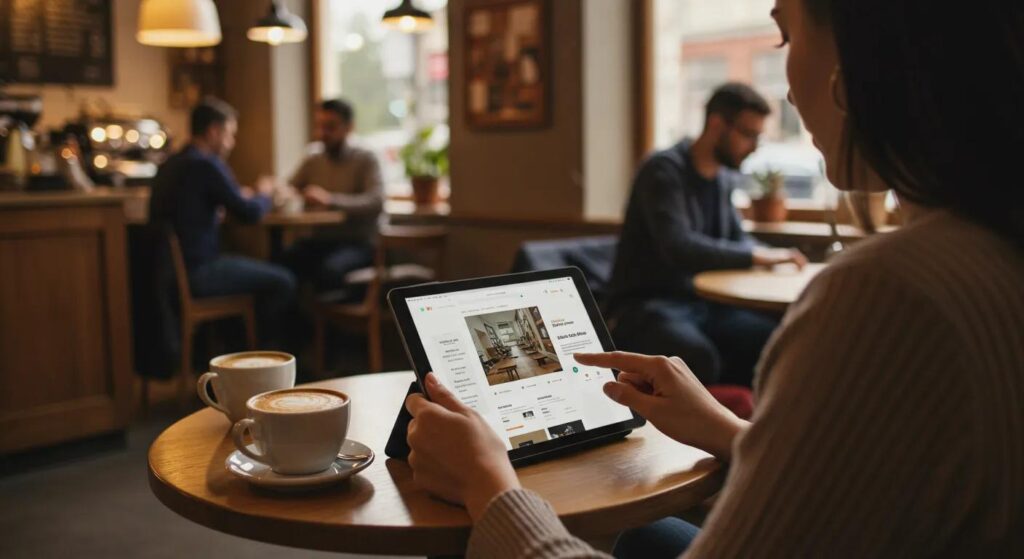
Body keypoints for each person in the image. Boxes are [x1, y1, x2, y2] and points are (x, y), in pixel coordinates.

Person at [401, 0, 1024, 556]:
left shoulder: (888, 293)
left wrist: (490, 487)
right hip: (656, 301)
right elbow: (682, 248)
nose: (786, 93)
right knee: (648, 523)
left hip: (692, 306)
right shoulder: (989, 253)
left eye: (783, 37)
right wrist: (726, 430)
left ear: (860, 61)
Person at [609, 82, 806, 387]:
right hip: (648, 304)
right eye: (749, 135)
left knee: (774, 337)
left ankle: (751, 428)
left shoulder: (722, 178)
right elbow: (680, 247)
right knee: (698, 355)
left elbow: (735, 240)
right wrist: (758, 255)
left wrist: (776, 256)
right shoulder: (663, 171)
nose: (754, 146)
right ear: (717, 124)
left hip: (701, 303)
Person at [150, 98, 296, 347]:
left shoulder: (172, 164)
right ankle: (270, 362)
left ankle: (239, 353)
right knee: (283, 281)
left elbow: (198, 205)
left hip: (171, 272)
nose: (232, 143)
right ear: (213, 131)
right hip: (200, 271)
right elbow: (249, 213)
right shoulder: (206, 164)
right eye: (229, 134)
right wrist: (265, 192)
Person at [280, 99, 385, 291]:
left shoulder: (365, 157)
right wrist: (280, 192)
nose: (322, 134)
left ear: (349, 127)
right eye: (319, 126)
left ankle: (331, 321)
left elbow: (376, 201)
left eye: (330, 127)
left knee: (329, 271)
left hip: (358, 242)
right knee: (281, 265)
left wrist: (330, 200)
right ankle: (300, 321)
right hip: (319, 240)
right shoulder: (313, 156)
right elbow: (289, 187)